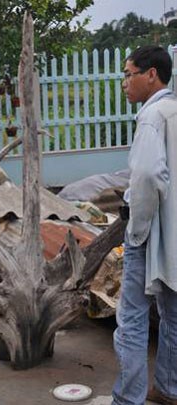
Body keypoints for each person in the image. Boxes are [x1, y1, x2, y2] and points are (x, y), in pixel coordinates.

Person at [112, 46, 177, 405]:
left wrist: (137, 230)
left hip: (150, 235)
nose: (125, 82)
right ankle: (168, 388)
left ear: (151, 74)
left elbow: (149, 176)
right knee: (174, 315)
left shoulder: (152, 117)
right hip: (175, 236)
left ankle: (128, 399)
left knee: (132, 320)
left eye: (129, 73)